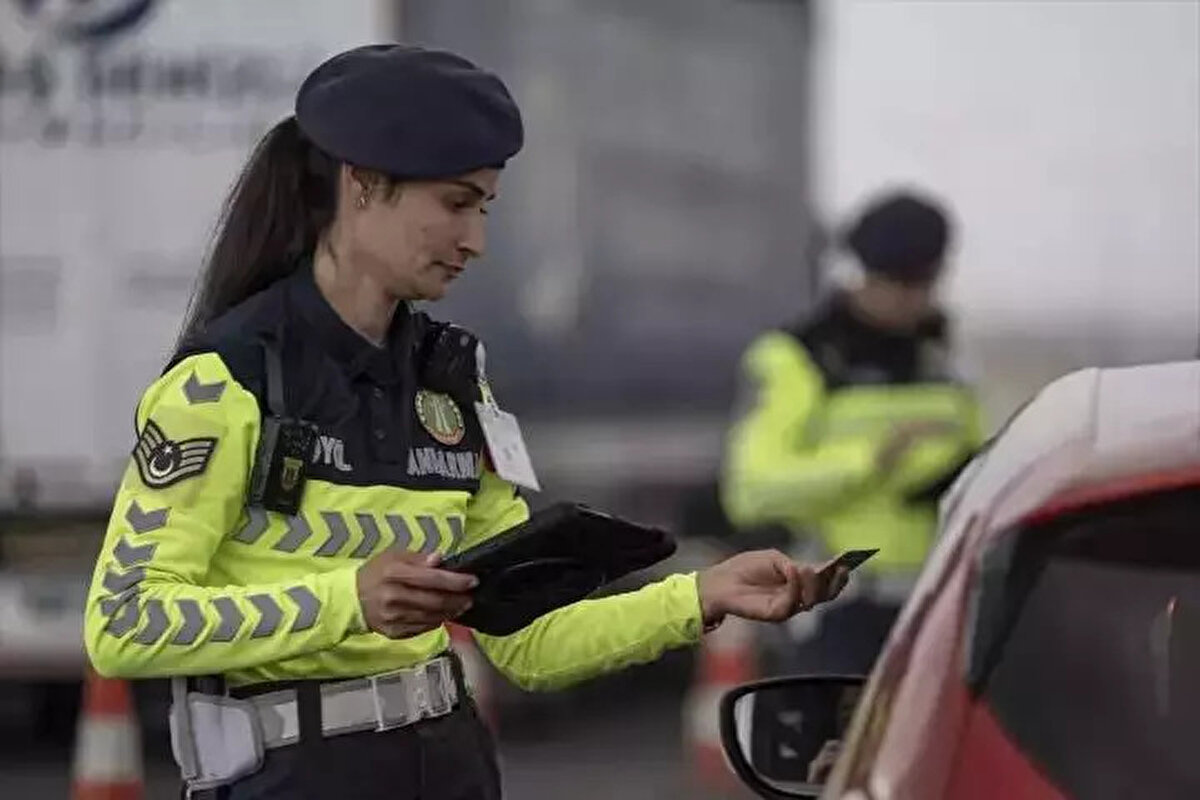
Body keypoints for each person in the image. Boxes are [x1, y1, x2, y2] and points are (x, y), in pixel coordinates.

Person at [82, 44, 849, 800]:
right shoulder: (224, 382)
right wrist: (350, 600)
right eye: (455, 203)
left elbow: (527, 645)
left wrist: (701, 595)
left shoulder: (453, 381)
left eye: (484, 207)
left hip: (451, 766)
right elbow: (124, 624)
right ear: (363, 185)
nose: (476, 241)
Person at [720, 188, 985, 674]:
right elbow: (750, 489)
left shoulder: (945, 365)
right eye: (898, 282)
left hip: (938, 615)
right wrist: (871, 460)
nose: (913, 297)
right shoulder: (796, 359)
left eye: (924, 281)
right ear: (863, 273)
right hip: (837, 616)